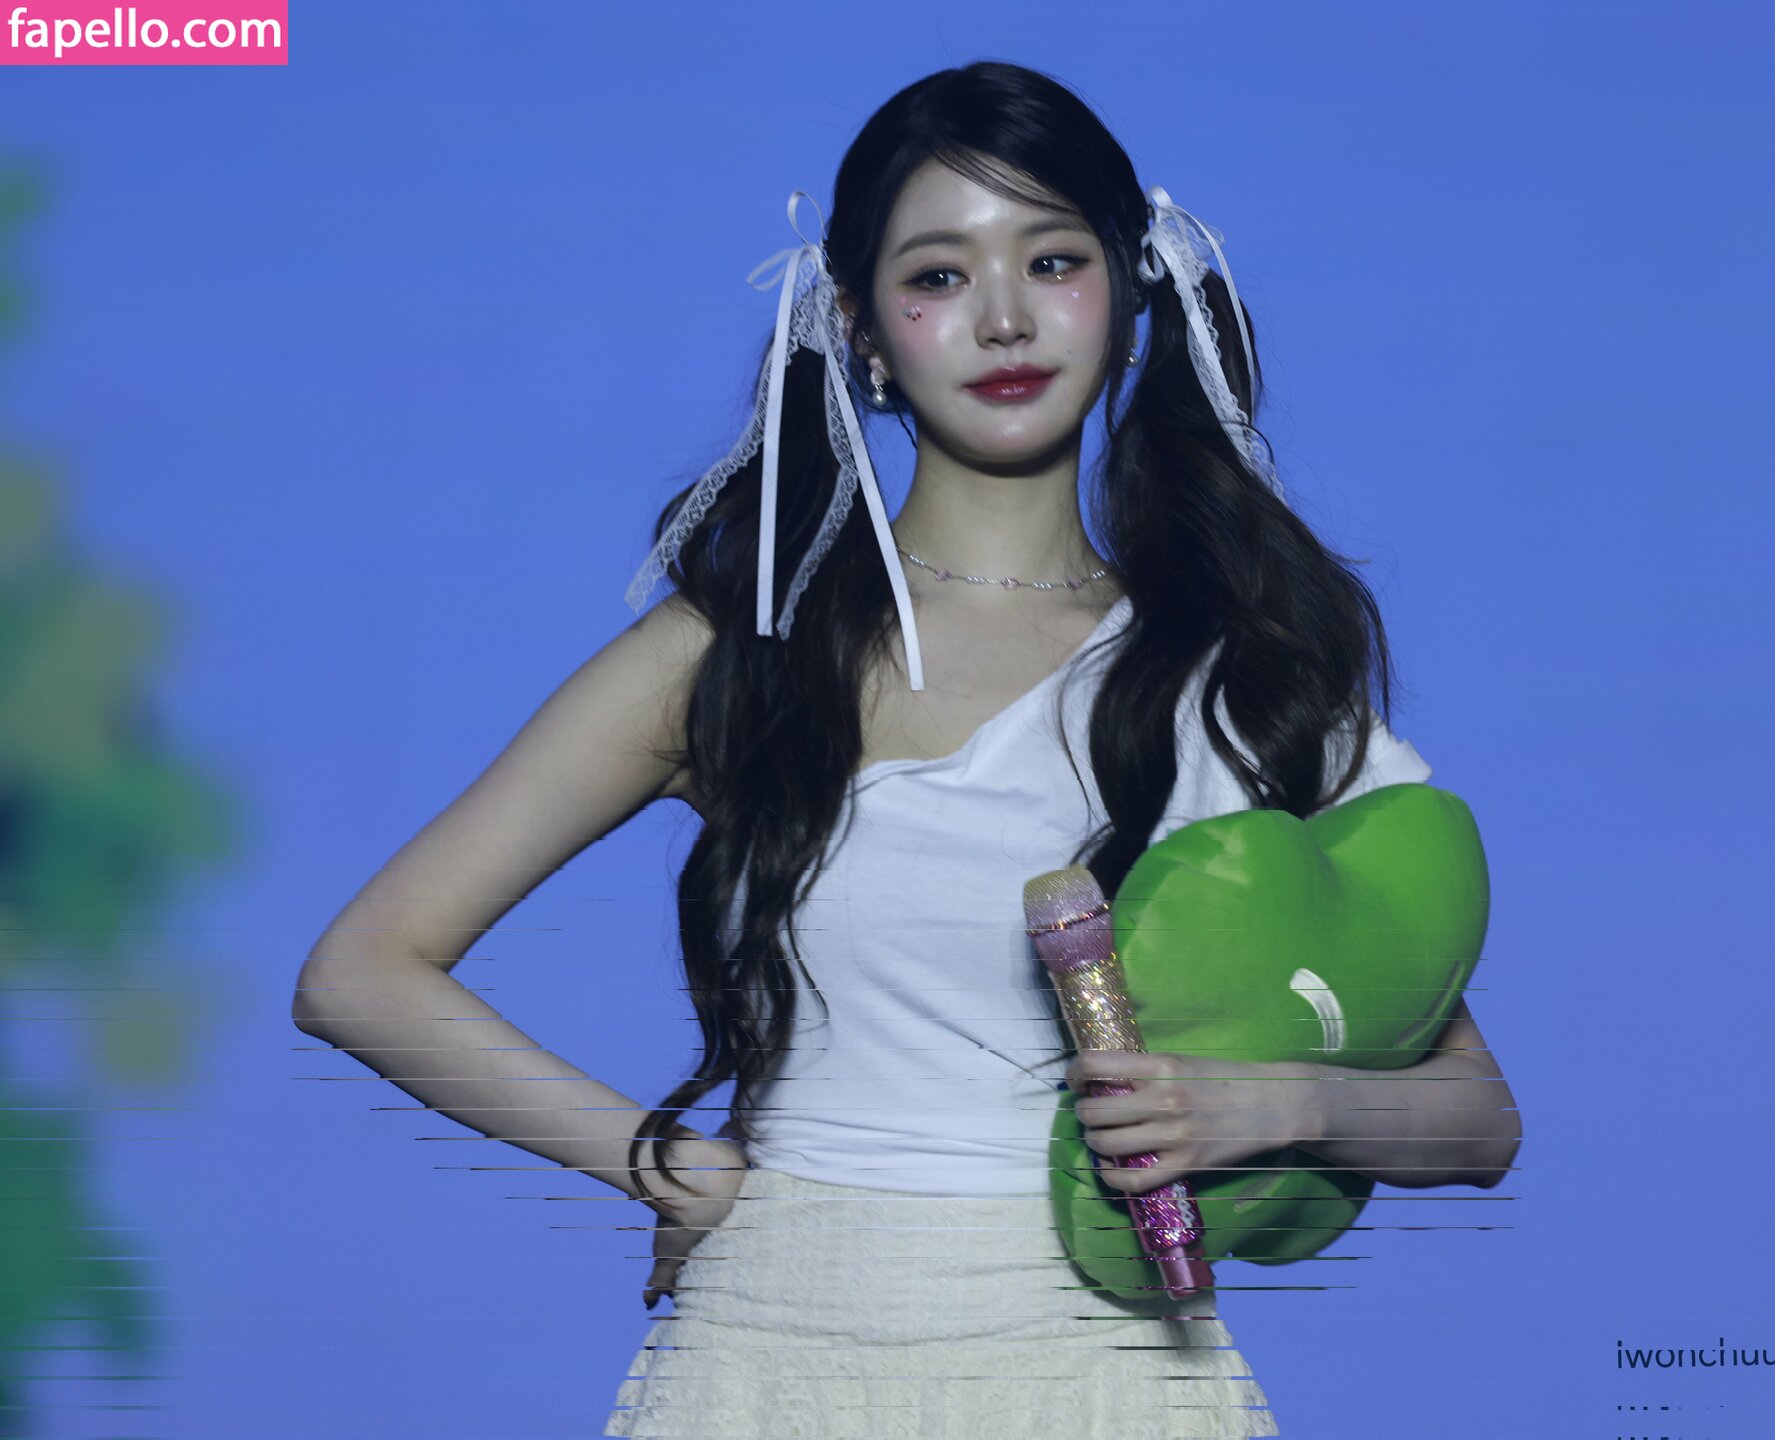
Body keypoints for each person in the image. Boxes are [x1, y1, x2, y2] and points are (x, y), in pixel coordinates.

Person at [294, 60, 1521, 1440]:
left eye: (1052, 261)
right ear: (862, 331)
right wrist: (663, 1166)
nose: (1003, 316)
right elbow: (362, 970)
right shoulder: (745, 649)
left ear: (1130, 296)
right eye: (939, 275)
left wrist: (1261, 1103)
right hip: (773, 1359)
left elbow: (1477, 1118)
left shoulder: (1237, 673)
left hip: (1107, 1371)